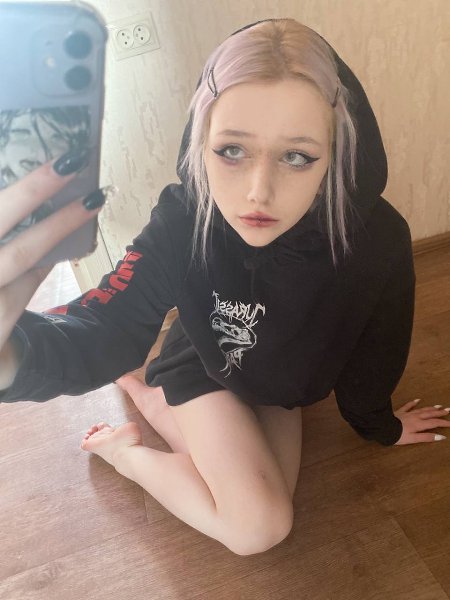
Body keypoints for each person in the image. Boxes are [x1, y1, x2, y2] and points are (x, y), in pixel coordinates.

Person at [1, 18, 449, 556]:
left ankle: (145, 396)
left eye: (297, 156)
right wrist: (13, 356)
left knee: (270, 492)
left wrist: (378, 424)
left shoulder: (377, 240)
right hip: (205, 363)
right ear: (203, 140)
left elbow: (376, 352)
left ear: (335, 153)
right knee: (259, 527)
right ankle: (126, 448)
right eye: (232, 150)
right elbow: (105, 319)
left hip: (281, 390)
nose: (258, 192)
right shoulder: (183, 219)